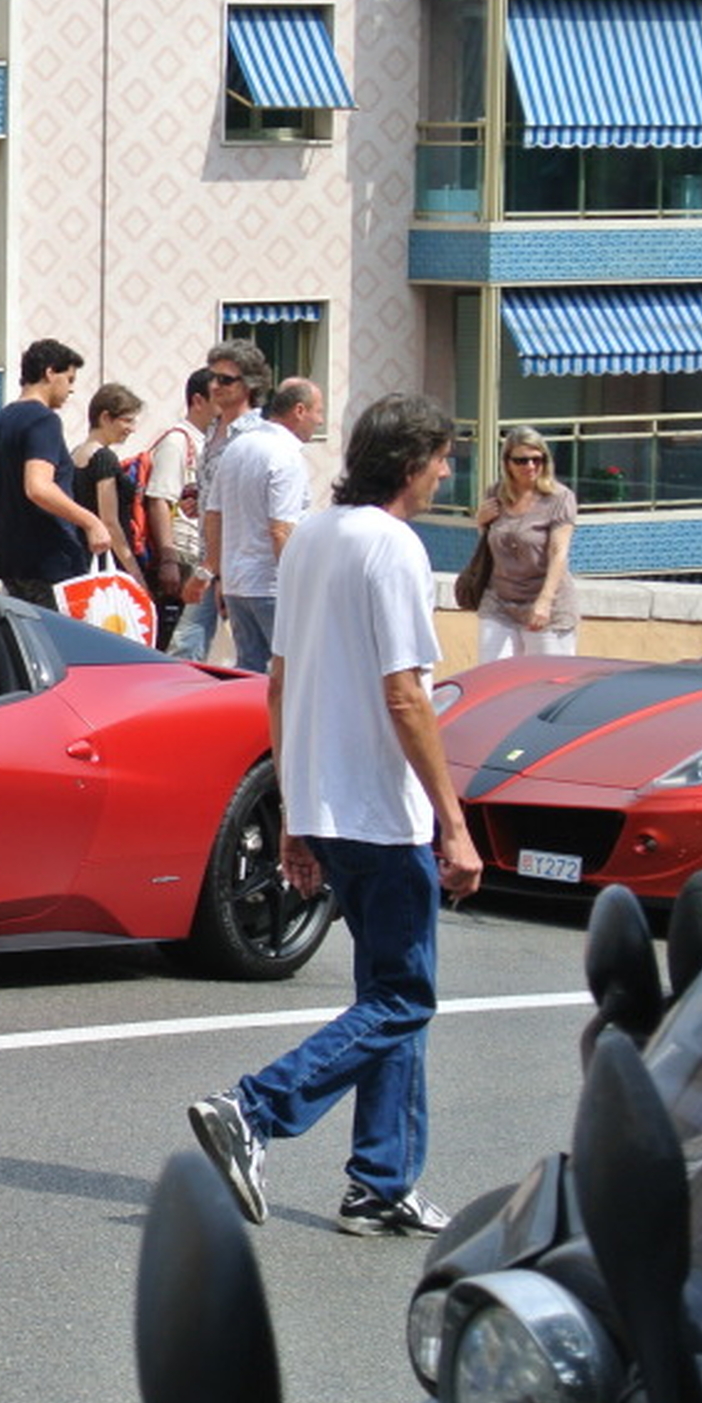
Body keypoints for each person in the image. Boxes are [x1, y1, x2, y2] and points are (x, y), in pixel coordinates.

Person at [188, 392, 484, 1240]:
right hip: (381, 812)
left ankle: (380, 1182)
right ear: (412, 460)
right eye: (440, 459)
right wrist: (453, 823)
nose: (444, 474)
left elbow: (279, 679)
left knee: (387, 990)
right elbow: (406, 693)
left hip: (324, 799)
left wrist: (291, 811)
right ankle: (255, 1107)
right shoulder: (393, 547)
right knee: (403, 996)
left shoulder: (314, 535)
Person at [0, 339, 112, 606]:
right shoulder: (43, 420)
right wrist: (91, 521)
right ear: (49, 373)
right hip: (51, 563)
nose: (71, 389)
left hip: (11, 565)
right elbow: (38, 486)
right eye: (69, 379)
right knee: (63, 645)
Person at [202, 376, 325, 675]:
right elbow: (281, 530)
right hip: (272, 585)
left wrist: (218, 574)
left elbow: (214, 515)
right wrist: (301, 585)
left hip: (237, 583)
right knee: (297, 674)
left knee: (250, 672)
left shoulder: (237, 447)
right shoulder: (286, 456)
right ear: (299, 410)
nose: (320, 421)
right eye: (318, 412)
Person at [191, 341, 270, 662]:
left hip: (236, 564)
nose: (214, 386)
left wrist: (218, 571)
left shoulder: (252, 435)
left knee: (247, 655)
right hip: (212, 559)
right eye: (212, 378)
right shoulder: (213, 428)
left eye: (225, 380)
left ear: (249, 385)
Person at [473, 427, 580, 659]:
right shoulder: (494, 494)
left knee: (546, 686)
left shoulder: (560, 498)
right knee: (492, 679)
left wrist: (544, 601)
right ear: (507, 462)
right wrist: (480, 522)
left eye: (536, 459)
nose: (530, 466)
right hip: (499, 602)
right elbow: (492, 545)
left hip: (545, 605)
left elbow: (558, 552)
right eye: (521, 460)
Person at [141, 368, 215, 657]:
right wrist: (168, 560)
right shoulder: (178, 441)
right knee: (182, 642)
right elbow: (159, 499)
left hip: (198, 554)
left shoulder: (207, 443)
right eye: (218, 397)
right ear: (198, 401)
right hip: (181, 555)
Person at [74, 383, 149, 590]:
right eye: (127, 421)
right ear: (106, 418)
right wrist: (135, 574)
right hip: (107, 562)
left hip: (82, 559)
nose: (132, 429)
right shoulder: (104, 458)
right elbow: (110, 521)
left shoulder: (75, 454)